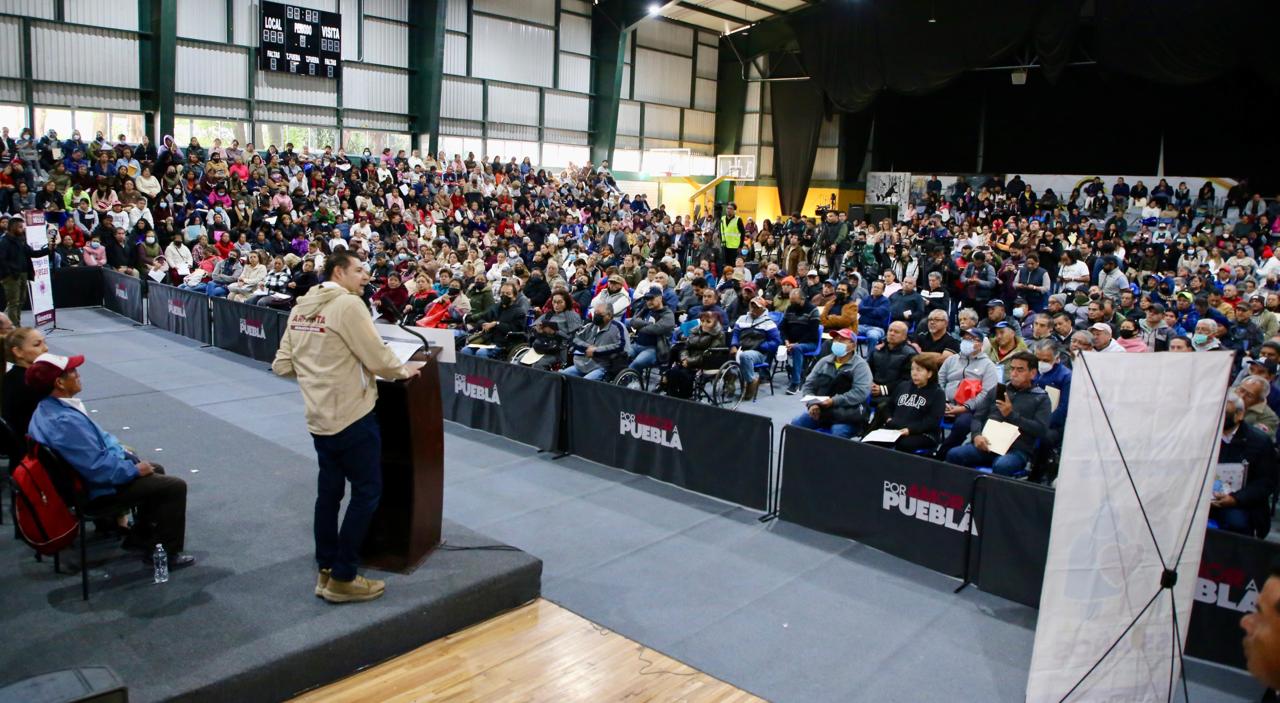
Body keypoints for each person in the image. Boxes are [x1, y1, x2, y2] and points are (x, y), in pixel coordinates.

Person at [272, 250, 418, 604]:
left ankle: (326, 567)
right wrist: (403, 371)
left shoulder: (302, 306)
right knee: (367, 492)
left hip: (318, 416)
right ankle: (343, 577)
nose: (365, 276)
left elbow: (282, 364)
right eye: (359, 270)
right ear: (338, 272)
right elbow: (377, 357)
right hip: (352, 414)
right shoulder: (348, 305)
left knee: (329, 494)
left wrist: (318, 371)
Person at [26, 353, 194, 568]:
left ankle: (140, 538)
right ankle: (165, 555)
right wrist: (133, 470)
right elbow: (97, 469)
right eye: (73, 372)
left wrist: (127, 460)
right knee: (174, 487)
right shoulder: (65, 422)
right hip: (94, 491)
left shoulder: (48, 409)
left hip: (80, 482)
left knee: (155, 469)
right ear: (59, 382)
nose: (78, 375)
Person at [946, 351, 1051, 476]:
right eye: (1012, 369)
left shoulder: (1041, 398)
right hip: (987, 444)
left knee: (1002, 465)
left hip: (1016, 450)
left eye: (1020, 370)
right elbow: (978, 417)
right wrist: (976, 435)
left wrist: (1011, 415)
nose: (1013, 373)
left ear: (1032, 373)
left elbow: (1041, 430)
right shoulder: (999, 389)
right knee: (954, 454)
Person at [1213, 394, 1279, 537]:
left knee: (1236, 522)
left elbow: (1266, 483)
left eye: (1225, 413)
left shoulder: (1259, 442)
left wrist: (1235, 499)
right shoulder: (1205, 436)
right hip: (1203, 497)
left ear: (1239, 415)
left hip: (1240, 501)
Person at [789, 327, 871, 439]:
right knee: (796, 424)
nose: (837, 342)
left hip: (846, 413)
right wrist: (812, 403)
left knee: (837, 432)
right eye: (836, 339)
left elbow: (860, 393)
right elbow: (809, 384)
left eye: (842, 340)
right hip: (822, 410)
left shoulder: (860, 366)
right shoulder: (824, 361)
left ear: (853, 346)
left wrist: (833, 401)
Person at [872, 352, 946, 454]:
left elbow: (932, 421)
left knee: (904, 444)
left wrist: (910, 430)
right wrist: (889, 419)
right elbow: (888, 406)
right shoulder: (903, 386)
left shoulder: (938, 393)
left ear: (929, 373)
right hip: (896, 429)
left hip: (923, 434)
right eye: (912, 369)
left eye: (919, 370)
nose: (914, 373)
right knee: (872, 439)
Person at [0, 216, 48, 323]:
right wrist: (9, 273)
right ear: (13, 228)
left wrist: (48, 249)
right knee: (13, 302)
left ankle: (8, 322)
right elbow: (1, 260)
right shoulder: (4, 242)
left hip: (23, 274)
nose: (23, 229)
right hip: (11, 277)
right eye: (21, 227)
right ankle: (15, 327)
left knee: (21, 300)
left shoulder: (21, 240)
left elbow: (32, 253)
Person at [562, 303, 627, 380]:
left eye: (599, 314)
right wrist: (587, 347)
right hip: (583, 364)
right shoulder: (591, 325)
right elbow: (574, 338)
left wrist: (597, 350)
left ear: (609, 316)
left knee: (585, 382)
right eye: (595, 313)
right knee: (561, 376)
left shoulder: (617, 328)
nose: (596, 316)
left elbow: (620, 345)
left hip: (601, 366)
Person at [2, 326, 47, 439]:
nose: (45, 348)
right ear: (18, 352)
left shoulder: (10, 376)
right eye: (37, 344)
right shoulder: (30, 384)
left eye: (44, 343)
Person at [779, 287, 820, 394]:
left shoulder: (813, 310)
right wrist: (786, 340)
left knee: (797, 348)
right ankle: (764, 374)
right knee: (773, 342)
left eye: (794, 302)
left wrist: (797, 343)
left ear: (802, 299)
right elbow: (782, 327)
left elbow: (812, 333)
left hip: (809, 343)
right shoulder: (789, 309)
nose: (792, 304)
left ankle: (795, 383)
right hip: (791, 341)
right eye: (791, 301)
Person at [626, 289, 676, 373]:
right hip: (637, 344)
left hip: (654, 349)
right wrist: (648, 324)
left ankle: (625, 382)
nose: (648, 302)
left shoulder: (668, 315)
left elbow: (655, 329)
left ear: (660, 298)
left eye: (651, 299)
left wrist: (639, 326)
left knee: (637, 363)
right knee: (620, 356)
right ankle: (620, 378)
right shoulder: (646, 309)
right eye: (647, 299)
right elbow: (633, 321)